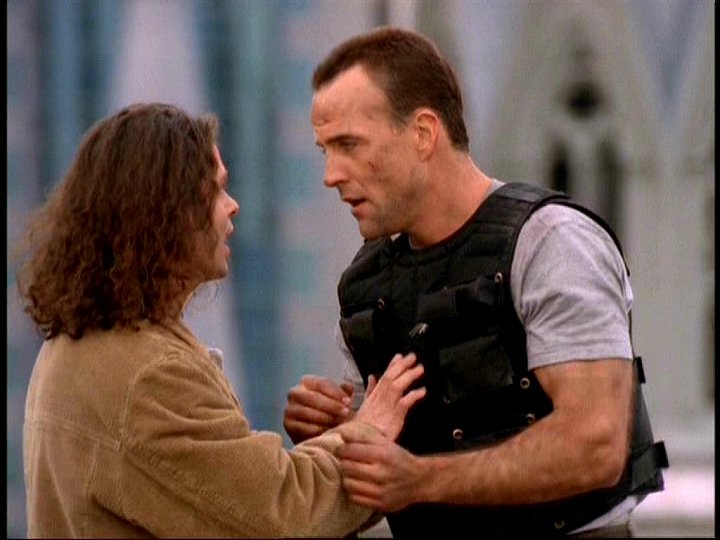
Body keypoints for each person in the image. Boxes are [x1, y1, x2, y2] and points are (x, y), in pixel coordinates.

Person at [283, 27, 669, 538]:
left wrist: (418, 479)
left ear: (424, 133)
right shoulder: (366, 285)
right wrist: (335, 436)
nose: (331, 174)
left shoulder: (551, 243)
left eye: (349, 145)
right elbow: (380, 484)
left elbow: (595, 447)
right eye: (325, 151)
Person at [16, 102, 428, 538]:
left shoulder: (77, 346)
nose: (232, 207)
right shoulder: (150, 376)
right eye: (215, 191)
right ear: (163, 210)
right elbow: (282, 512)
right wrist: (368, 432)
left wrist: (326, 442)